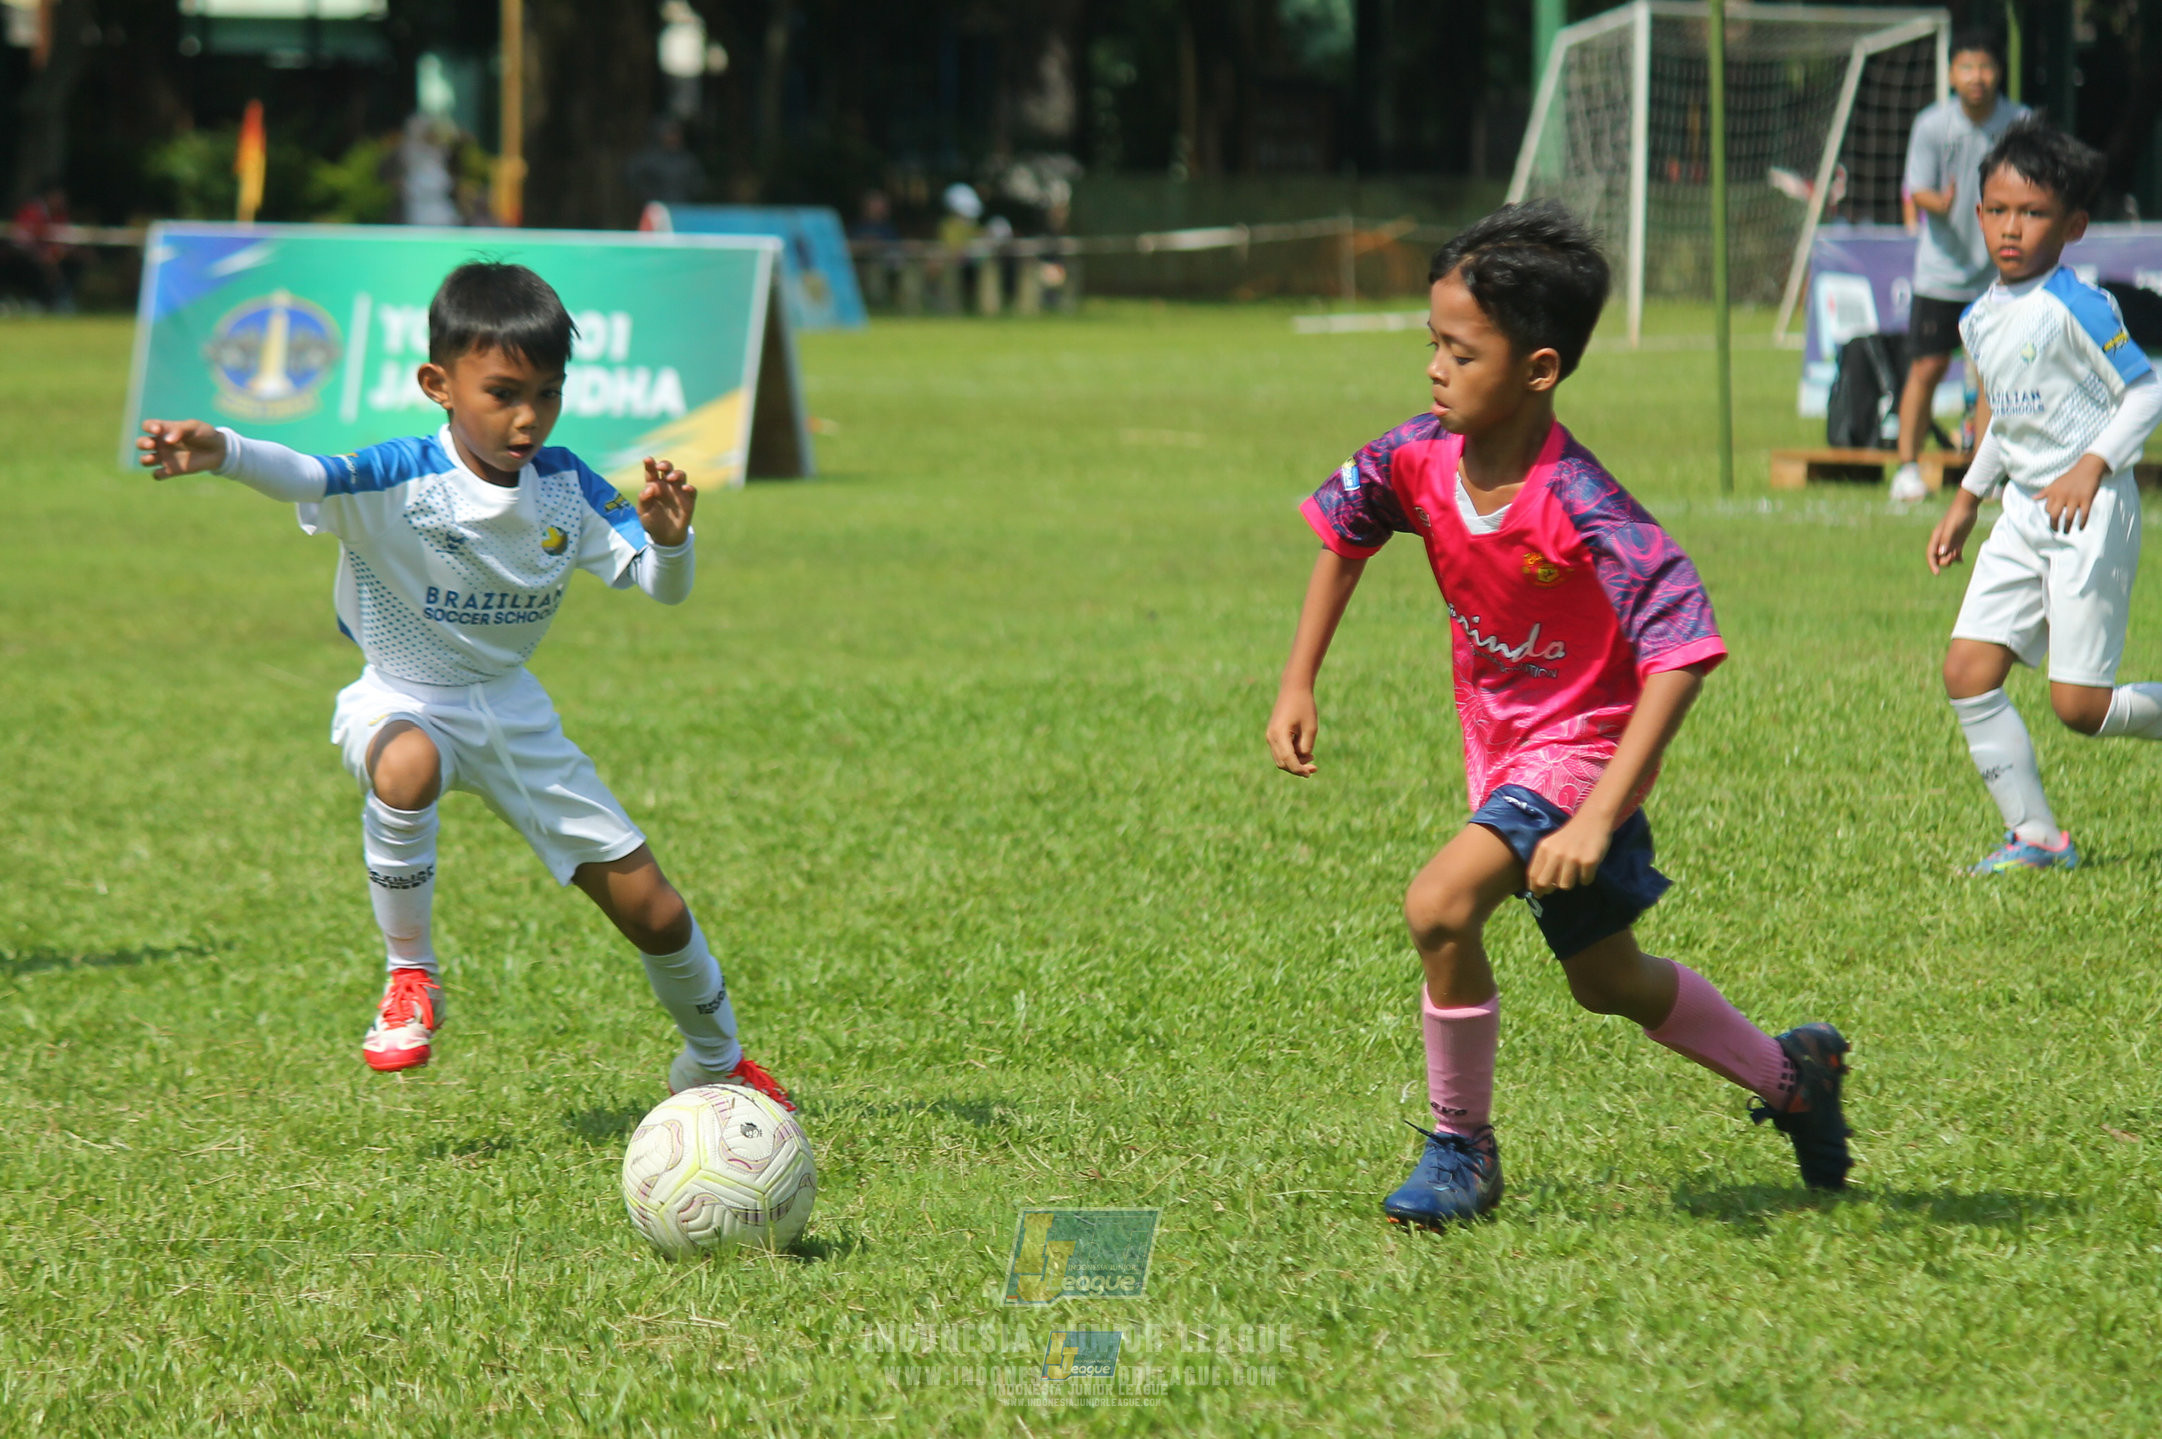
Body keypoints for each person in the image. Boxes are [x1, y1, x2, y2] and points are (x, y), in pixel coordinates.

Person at [1267, 202, 1852, 1228]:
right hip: (1504, 755)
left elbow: (1679, 648)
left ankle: (1459, 1146)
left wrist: (1592, 813)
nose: (1435, 369)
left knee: (1440, 905)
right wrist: (1297, 679)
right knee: (1607, 979)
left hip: (1582, 757)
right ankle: (1793, 1074)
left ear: (1537, 369)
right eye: (1432, 344)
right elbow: (1345, 530)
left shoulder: (1582, 504)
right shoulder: (1416, 457)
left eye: (1461, 350)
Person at [133, 262, 794, 1109]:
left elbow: (659, 586)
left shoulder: (567, 487)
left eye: (548, 394)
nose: (529, 417)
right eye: (504, 393)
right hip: (399, 694)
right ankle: (410, 976)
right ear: (438, 385)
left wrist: (671, 541)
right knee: (405, 766)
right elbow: (305, 474)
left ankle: (717, 1058)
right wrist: (224, 450)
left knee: (655, 911)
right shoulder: (397, 476)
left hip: (512, 710)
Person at [1926, 121, 2162, 874]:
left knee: (2080, 710)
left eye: (2030, 214)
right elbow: (2009, 416)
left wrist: (2092, 465)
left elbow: (2147, 392)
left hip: (2088, 515)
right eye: (1997, 210)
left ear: (2073, 227)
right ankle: (2036, 838)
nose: (2010, 227)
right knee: (1966, 672)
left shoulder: (2079, 305)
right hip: (2024, 513)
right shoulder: (1982, 315)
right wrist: (1968, 498)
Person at [1891, 31, 2027, 502]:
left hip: (2000, 274)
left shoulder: (2020, 122)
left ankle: (1982, 474)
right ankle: (1907, 468)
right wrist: (1941, 201)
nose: (1977, 77)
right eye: (1966, 67)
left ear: (1999, 73)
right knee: (1926, 366)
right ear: (1951, 74)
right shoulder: (1932, 126)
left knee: (1993, 374)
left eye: (1985, 67)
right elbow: (1917, 188)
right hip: (1941, 271)